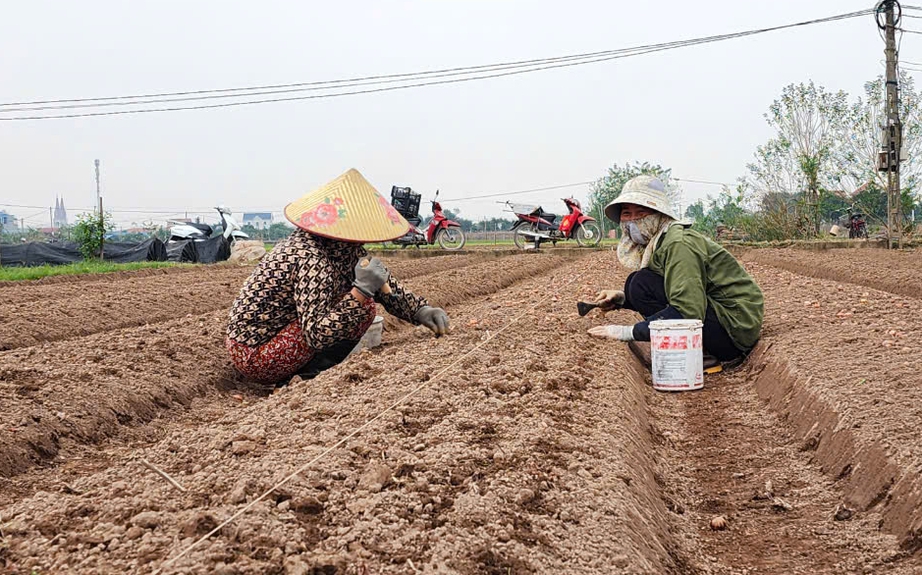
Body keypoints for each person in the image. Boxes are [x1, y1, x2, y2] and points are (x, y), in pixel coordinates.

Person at [226, 169, 449, 384]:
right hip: (256, 354)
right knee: (362, 307)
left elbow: (379, 280)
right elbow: (316, 334)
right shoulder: (310, 258)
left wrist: (420, 310)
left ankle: (305, 371)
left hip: (275, 335)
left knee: (361, 303)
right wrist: (360, 291)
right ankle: (305, 377)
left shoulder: (339, 248)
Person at [587, 175, 764, 366]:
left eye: (641, 213)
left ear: (659, 214)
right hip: (722, 319)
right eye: (627, 214)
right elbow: (670, 288)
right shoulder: (661, 241)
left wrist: (627, 332)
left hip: (734, 332)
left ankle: (704, 352)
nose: (633, 221)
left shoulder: (678, 244)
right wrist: (622, 300)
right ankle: (695, 346)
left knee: (641, 282)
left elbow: (688, 311)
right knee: (636, 284)